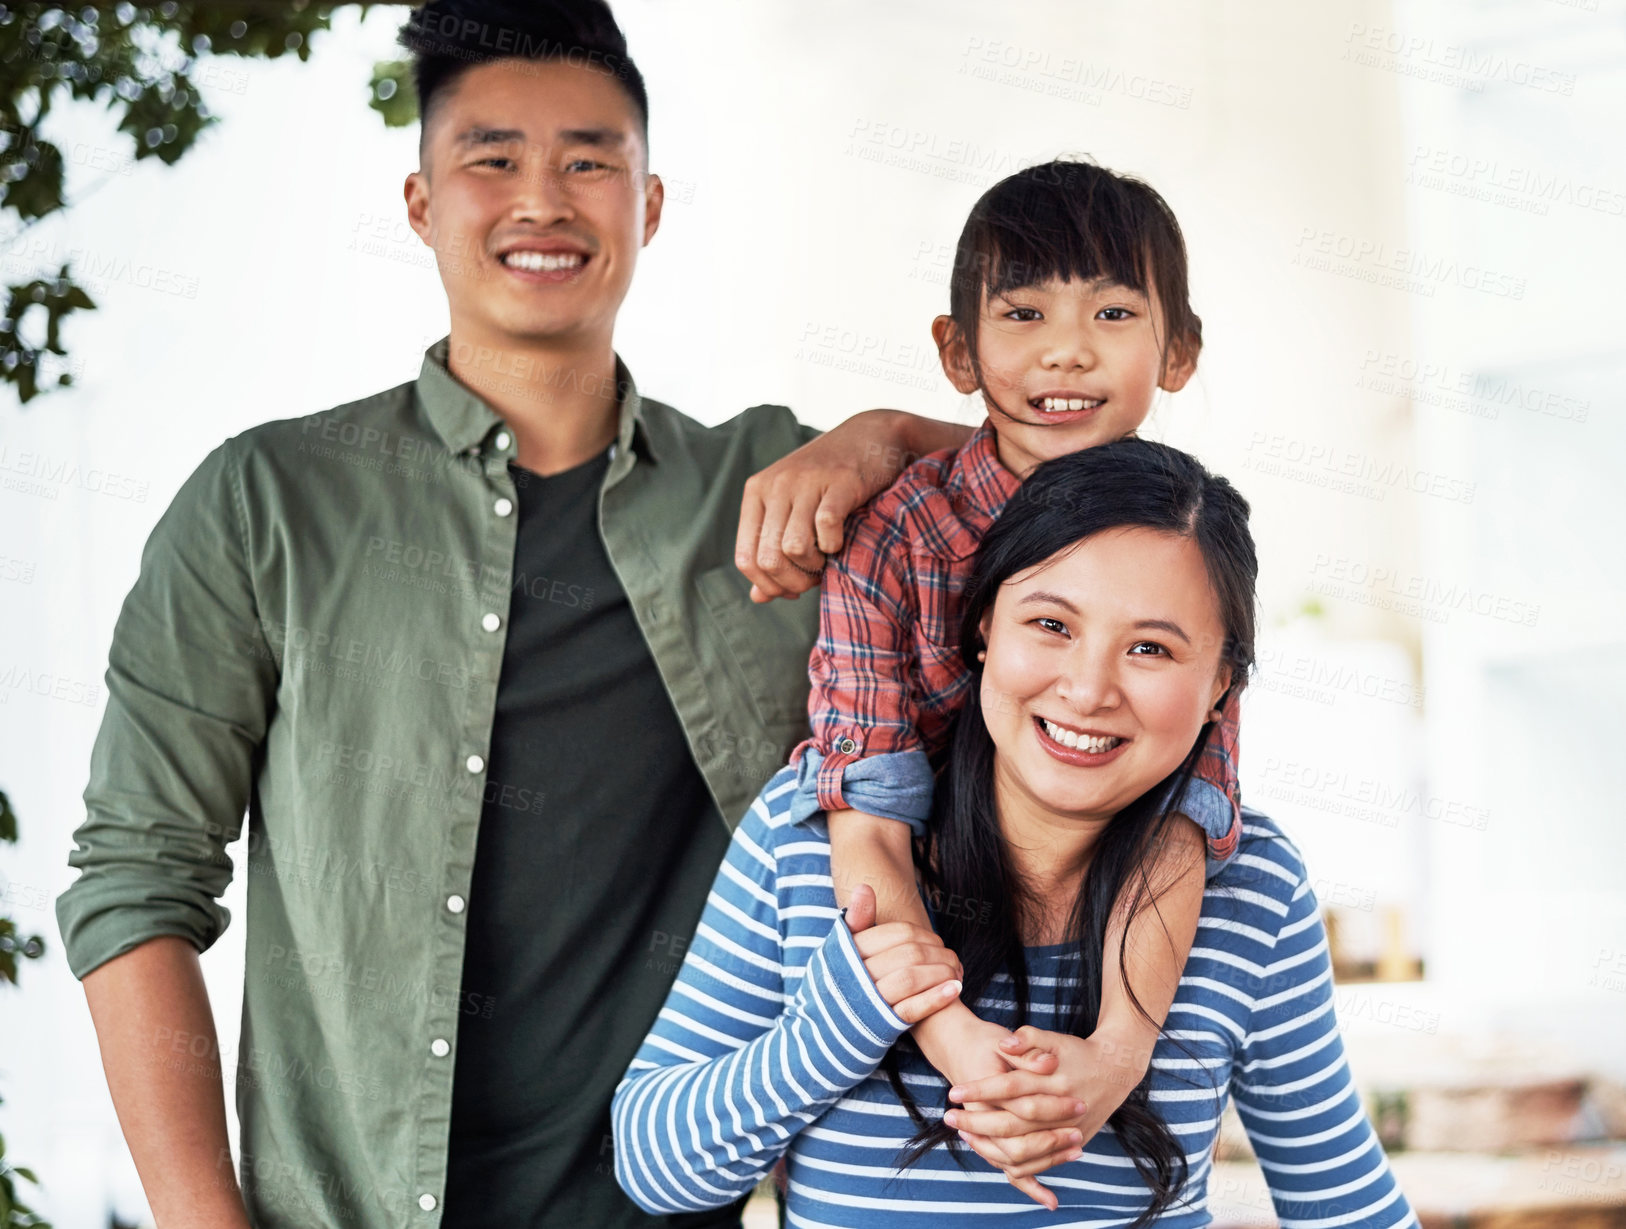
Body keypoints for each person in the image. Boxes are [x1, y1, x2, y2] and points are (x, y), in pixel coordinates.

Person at [52, 4, 969, 1228]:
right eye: (492, 158)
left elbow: (1111, 505)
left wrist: (889, 436)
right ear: (422, 202)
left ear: (648, 205)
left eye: (589, 161)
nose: (542, 200)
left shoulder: (775, 493)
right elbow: (136, 877)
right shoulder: (267, 503)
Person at [613, 439, 1417, 1226]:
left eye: (1150, 647)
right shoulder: (807, 836)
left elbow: (1346, 1203)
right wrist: (833, 1027)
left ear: (1221, 689)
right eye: (1052, 625)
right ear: (984, 628)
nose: (1088, 689)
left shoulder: (1250, 883)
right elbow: (655, 1167)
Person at [772, 158, 1243, 1201]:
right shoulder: (897, 535)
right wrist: (958, 1043)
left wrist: (1116, 1052)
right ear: (958, 350)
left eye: (1113, 312)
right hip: (909, 939)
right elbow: (866, 810)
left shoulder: (1189, 546)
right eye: (1023, 313)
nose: (1067, 349)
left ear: (1178, 351)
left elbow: (1186, 808)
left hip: (1097, 933)